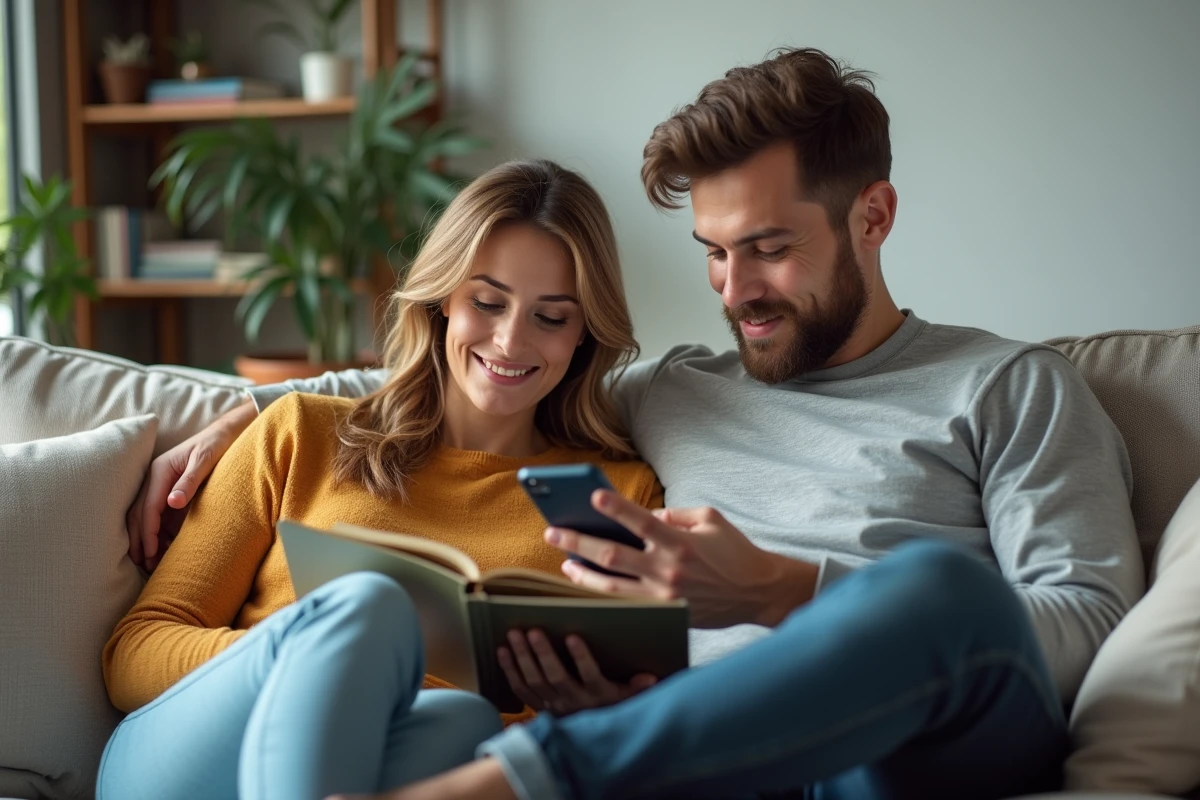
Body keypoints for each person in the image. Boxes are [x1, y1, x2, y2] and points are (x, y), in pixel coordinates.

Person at [132, 49, 1144, 800]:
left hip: (911, 747)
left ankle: (518, 782)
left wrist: (791, 590)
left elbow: (1093, 627)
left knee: (937, 588)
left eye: (769, 247)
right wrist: (244, 406)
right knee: (451, 714)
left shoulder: (1013, 386)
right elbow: (491, 371)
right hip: (701, 760)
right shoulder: (675, 388)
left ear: (872, 216)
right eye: (712, 251)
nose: (735, 291)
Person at [99, 160, 665, 800]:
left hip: (414, 771)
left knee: (465, 720)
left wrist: (593, 705)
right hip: (188, 757)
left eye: (552, 317)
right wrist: (317, 662)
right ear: (443, 299)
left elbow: (624, 726)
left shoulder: (618, 499)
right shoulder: (299, 432)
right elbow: (135, 652)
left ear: (586, 331)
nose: (510, 341)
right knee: (370, 607)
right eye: (487, 302)